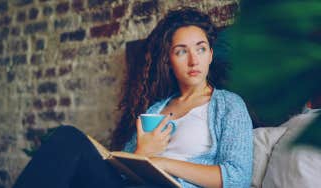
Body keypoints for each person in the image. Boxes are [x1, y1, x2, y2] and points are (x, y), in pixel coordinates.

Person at [14, 7, 253, 188]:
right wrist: (141, 152)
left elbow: (237, 178)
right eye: (181, 51)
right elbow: (122, 170)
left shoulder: (229, 105)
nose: (193, 60)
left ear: (211, 54)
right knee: (69, 138)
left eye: (200, 49)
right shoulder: (156, 109)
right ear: (169, 60)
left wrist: (163, 164)